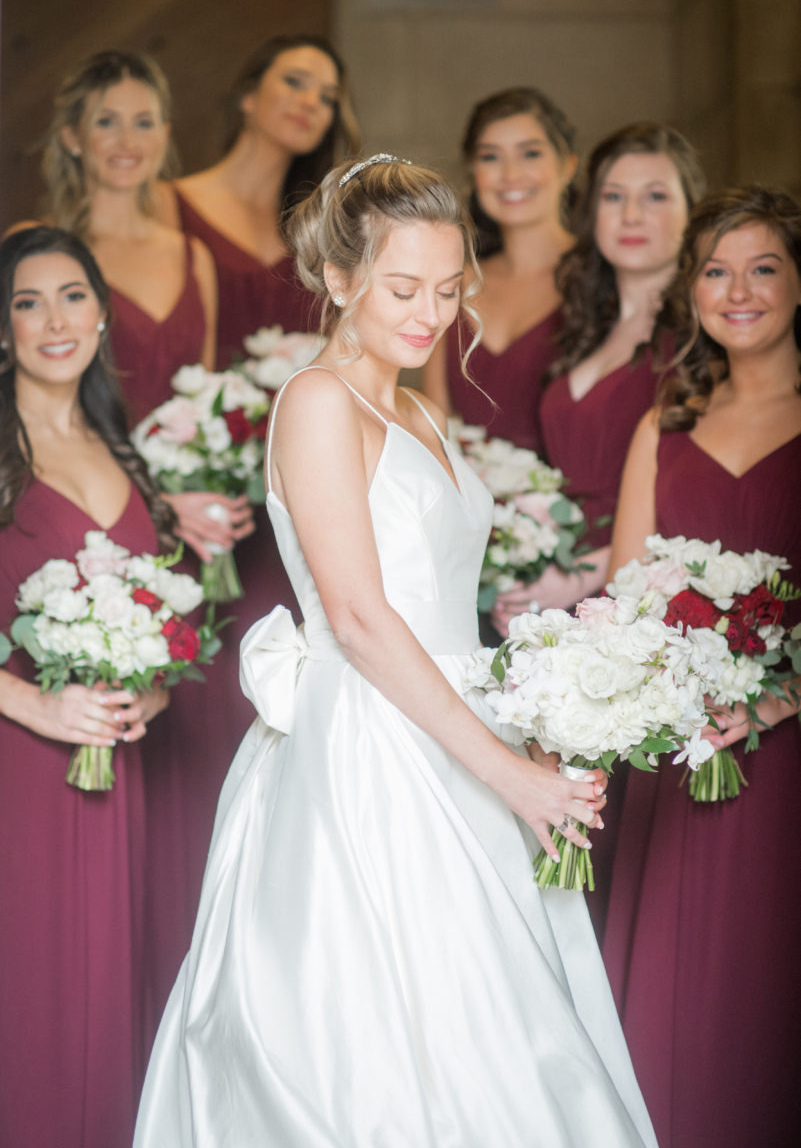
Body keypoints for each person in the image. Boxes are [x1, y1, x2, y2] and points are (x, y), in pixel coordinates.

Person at [133, 156, 656, 1147]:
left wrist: (532, 731)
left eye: (450, 288)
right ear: (339, 280)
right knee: (384, 1042)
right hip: (370, 752)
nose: (431, 313)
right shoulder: (319, 402)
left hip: (462, 721)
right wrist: (512, 775)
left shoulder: (418, 405)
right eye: (403, 288)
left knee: (505, 1029)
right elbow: (364, 619)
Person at [604, 186, 801, 1147]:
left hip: (786, 756)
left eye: (762, 267)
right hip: (678, 752)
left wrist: (774, 702)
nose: (738, 290)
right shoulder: (663, 424)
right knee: (675, 1001)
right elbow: (625, 591)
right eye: (716, 271)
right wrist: (674, 696)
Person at [0, 227, 174, 1148]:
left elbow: (163, 622)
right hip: (20, 766)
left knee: (108, 992)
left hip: (115, 767)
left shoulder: (124, 449)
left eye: (71, 296)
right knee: (33, 996)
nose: (53, 320)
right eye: (27, 302)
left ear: (102, 315)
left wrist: (152, 693)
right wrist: (35, 704)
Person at [35, 48, 253, 563]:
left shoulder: (194, 257)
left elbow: (199, 404)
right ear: (72, 136)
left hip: (193, 526)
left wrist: (207, 486)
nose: (128, 141)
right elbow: (34, 411)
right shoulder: (41, 252)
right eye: (106, 121)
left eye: (144, 122)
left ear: (165, 134)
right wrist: (152, 503)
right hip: (87, 513)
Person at [492, 121, 706, 634]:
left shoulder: (701, 340)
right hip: (552, 590)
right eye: (614, 196)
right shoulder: (582, 331)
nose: (631, 215)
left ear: (692, 212)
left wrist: (577, 577)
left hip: (638, 601)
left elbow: (698, 503)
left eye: (655, 196)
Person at [158, 33, 361, 365]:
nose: (311, 102)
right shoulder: (169, 204)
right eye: (295, 82)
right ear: (248, 95)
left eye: (328, 98)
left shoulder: (323, 230)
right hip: (192, 412)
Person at [423, 86, 576, 453]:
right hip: (468, 502)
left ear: (567, 166)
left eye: (530, 154)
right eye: (491, 157)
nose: (510, 174)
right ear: (474, 173)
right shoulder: (451, 282)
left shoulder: (603, 278)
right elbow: (436, 429)